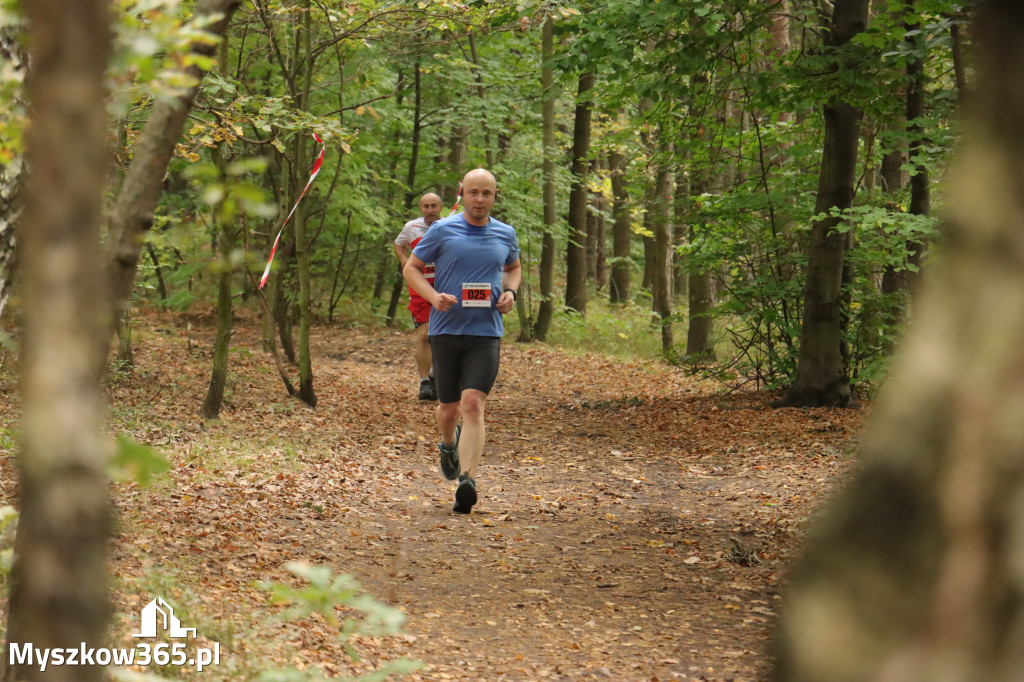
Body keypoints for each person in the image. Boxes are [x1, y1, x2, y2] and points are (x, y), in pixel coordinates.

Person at [403, 169, 521, 514]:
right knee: (448, 409)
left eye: (487, 193)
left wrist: (511, 292)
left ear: (495, 196)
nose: (480, 200)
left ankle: (467, 482)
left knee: (472, 405)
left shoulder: (505, 233)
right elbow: (411, 267)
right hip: (445, 330)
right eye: (473, 193)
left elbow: (514, 267)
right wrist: (432, 295)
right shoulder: (443, 229)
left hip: (486, 332)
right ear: (462, 193)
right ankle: (446, 445)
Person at [394, 192, 442, 400]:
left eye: (433, 206)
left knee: (441, 336)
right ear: (421, 209)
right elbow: (398, 243)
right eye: (426, 206)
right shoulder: (411, 227)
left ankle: (435, 377)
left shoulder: (451, 225)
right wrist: (404, 259)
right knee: (425, 334)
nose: (430, 210)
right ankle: (424, 382)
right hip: (420, 286)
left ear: (441, 207)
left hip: (445, 286)